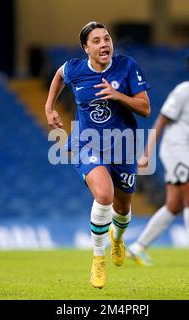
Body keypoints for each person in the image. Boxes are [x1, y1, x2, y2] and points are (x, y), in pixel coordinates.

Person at [45, 21, 151, 289]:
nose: (104, 44)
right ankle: (97, 259)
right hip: (87, 144)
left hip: (122, 145)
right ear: (86, 48)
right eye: (97, 41)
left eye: (107, 39)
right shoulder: (75, 69)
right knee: (104, 195)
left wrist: (118, 96)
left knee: (123, 209)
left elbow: (145, 108)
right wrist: (49, 107)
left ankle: (118, 237)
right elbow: (58, 75)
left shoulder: (127, 66)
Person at [128, 52, 189, 267]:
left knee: (174, 205)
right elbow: (161, 120)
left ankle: (138, 248)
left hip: (183, 151)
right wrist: (147, 153)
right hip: (178, 151)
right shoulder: (184, 91)